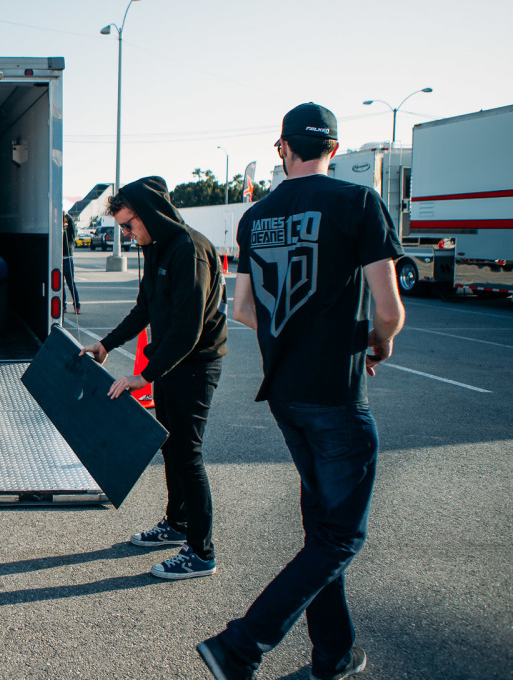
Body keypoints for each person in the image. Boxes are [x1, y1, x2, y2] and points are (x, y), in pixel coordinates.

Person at [197, 103, 405, 680]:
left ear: (282, 148)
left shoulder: (255, 216)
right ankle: (240, 645)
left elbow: (243, 308)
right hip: (337, 394)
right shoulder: (359, 202)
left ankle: (333, 654)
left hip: (285, 392)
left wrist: (290, 333)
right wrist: (376, 343)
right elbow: (389, 310)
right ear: (333, 149)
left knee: (322, 532)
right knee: (342, 537)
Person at [80, 176, 227, 580]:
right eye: (122, 228)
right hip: (171, 364)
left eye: (129, 225)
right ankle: (177, 523)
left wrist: (143, 376)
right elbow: (144, 308)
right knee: (171, 446)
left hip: (196, 364)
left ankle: (201, 552)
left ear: (150, 214)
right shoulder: (156, 248)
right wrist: (106, 344)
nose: (127, 234)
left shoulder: (189, 250)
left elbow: (187, 328)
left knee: (187, 454)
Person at [62, 212, 81, 313]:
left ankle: (77, 306)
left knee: (71, 284)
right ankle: (63, 305)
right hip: (60, 260)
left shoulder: (69, 233)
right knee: (60, 285)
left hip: (68, 259)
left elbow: (73, 227)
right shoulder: (59, 232)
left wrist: (67, 215)